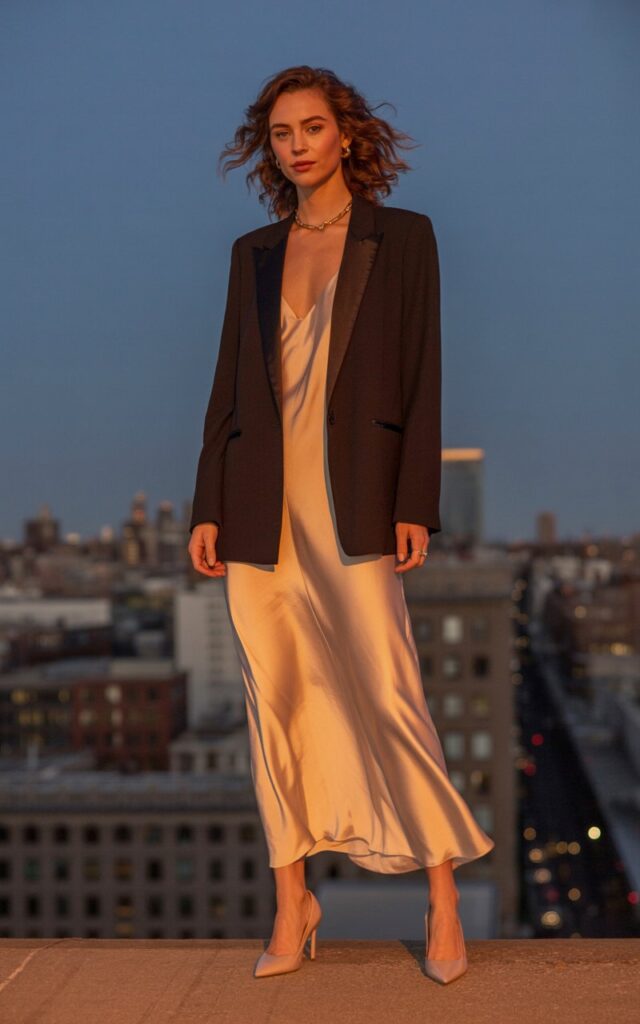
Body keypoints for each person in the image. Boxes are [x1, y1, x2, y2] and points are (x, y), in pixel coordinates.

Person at [188, 65, 494, 983]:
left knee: (387, 689)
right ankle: (293, 902)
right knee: (273, 702)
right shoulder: (253, 251)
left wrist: (414, 503)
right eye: (281, 134)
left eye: (311, 127)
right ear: (269, 147)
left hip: (353, 500)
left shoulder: (403, 240)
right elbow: (227, 391)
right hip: (257, 504)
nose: (296, 146)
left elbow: (421, 374)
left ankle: (441, 898)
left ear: (347, 134)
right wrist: (208, 503)